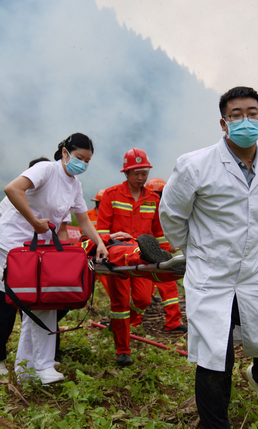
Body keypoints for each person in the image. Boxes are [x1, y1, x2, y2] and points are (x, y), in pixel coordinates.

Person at [160, 86, 258, 426]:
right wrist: (196, 250)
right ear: (223, 123)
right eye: (236, 115)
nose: (246, 120)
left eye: (252, 113)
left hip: (256, 272)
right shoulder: (195, 165)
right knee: (215, 358)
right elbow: (171, 215)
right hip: (211, 274)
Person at [0, 134, 108, 385]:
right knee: (35, 303)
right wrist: (34, 221)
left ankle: (36, 367)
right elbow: (12, 189)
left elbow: (83, 221)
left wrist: (100, 242)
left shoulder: (75, 185)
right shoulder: (46, 170)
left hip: (39, 249)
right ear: (64, 152)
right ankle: (34, 367)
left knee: (44, 302)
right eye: (79, 157)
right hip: (13, 243)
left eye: (87, 161)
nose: (82, 164)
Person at [91, 148, 182, 367]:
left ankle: (118, 325)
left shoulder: (153, 198)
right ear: (126, 173)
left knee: (143, 300)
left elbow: (158, 232)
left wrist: (167, 252)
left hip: (143, 259)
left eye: (144, 173)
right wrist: (107, 243)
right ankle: (123, 350)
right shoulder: (111, 195)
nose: (141, 178)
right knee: (120, 304)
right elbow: (101, 230)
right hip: (118, 257)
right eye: (136, 173)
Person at [143, 177, 187, 335]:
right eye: (156, 194)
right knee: (142, 295)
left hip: (162, 257)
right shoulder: (147, 212)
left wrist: (171, 247)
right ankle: (132, 322)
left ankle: (173, 323)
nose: (159, 198)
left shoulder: (165, 211)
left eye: (160, 194)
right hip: (146, 258)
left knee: (169, 289)